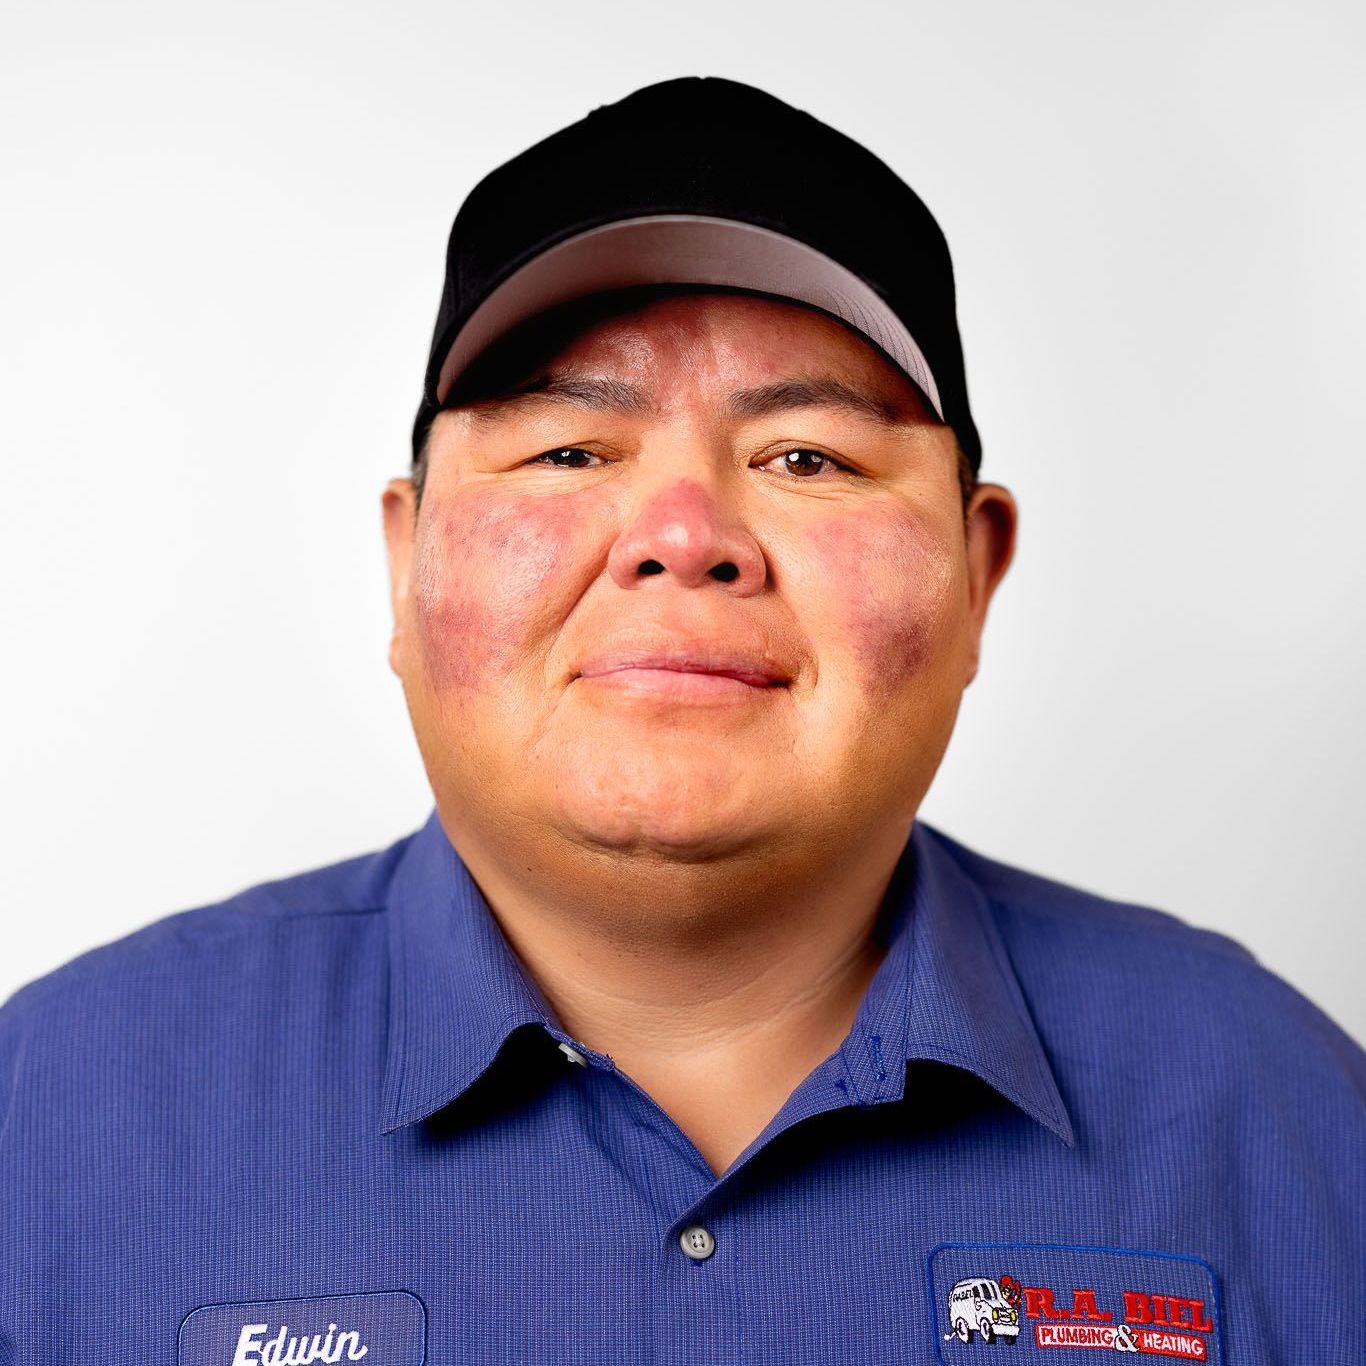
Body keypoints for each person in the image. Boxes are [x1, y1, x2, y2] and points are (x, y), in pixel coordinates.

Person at [0, 75, 1360, 1366]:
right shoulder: (52, 1118)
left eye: (806, 457)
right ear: (404, 567)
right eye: (570, 450)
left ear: (975, 572)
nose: (683, 535)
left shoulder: (1281, 1113)